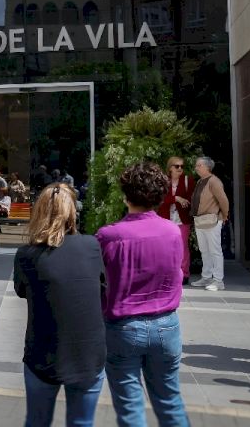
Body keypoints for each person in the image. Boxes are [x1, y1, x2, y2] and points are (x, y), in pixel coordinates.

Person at [96, 163, 188, 426]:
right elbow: (176, 271)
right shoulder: (172, 231)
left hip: (124, 326)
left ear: (126, 196)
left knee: (130, 406)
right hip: (167, 323)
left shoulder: (109, 235)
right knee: (170, 401)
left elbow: (97, 280)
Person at [13, 184, 105, 427]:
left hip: (43, 352)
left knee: (37, 421)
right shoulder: (92, 246)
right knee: (82, 422)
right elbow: (102, 286)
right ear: (73, 212)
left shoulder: (27, 254)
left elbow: (21, 291)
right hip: (88, 354)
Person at [191, 156, 229, 291]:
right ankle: (206, 277)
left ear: (207, 167)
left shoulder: (214, 181)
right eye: (196, 165)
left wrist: (224, 216)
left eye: (199, 165)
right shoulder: (201, 181)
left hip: (212, 220)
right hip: (200, 220)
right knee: (204, 250)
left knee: (215, 251)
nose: (196, 168)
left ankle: (218, 281)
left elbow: (223, 200)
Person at [158, 157, 194, 284]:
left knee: (182, 247)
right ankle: (167, 273)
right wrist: (176, 198)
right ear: (170, 168)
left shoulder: (188, 180)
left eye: (182, 166)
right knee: (166, 247)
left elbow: (191, 199)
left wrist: (182, 200)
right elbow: (160, 199)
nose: (180, 169)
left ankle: (184, 274)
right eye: (177, 166)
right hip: (165, 220)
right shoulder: (163, 181)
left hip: (182, 219)